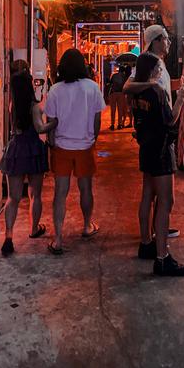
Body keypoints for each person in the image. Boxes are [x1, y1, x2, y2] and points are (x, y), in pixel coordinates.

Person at [124, 25, 184, 239]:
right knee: (164, 197)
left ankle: (151, 236)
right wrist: (158, 88)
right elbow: (129, 87)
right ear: (155, 40)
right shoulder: (148, 62)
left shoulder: (158, 64)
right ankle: (159, 247)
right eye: (165, 38)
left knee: (149, 192)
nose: (169, 42)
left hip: (150, 137)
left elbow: (166, 85)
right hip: (159, 138)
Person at [131, 52, 184, 276]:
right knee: (166, 201)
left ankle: (147, 243)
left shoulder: (137, 93)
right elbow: (170, 120)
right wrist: (181, 99)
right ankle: (162, 257)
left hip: (146, 148)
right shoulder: (157, 92)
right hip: (162, 150)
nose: (160, 71)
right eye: (158, 68)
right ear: (152, 70)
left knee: (148, 194)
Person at [45, 48, 106, 254]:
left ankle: (58, 238)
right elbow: (97, 120)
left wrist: (52, 143)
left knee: (60, 193)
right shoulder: (92, 87)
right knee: (86, 188)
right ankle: (87, 225)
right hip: (84, 145)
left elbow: (51, 121)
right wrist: (92, 138)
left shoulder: (55, 90)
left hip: (62, 146)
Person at [0, 64, 57, 256]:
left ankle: (8, 236)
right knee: (35, 194)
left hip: (15, 149)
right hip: (32, 150)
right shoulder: (34, 107)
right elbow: (40, 129)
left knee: (13, 198)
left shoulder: (12, 106)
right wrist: (54, 123)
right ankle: (33, 229)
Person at [108, 65, 126, 130]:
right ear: (123, 71)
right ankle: (119, 124)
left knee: (113, 110)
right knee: (120, 109)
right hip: (121, 93)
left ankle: (112, 124)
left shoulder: (114, 75)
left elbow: (110, 83)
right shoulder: (124, 76)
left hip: (113, 93)